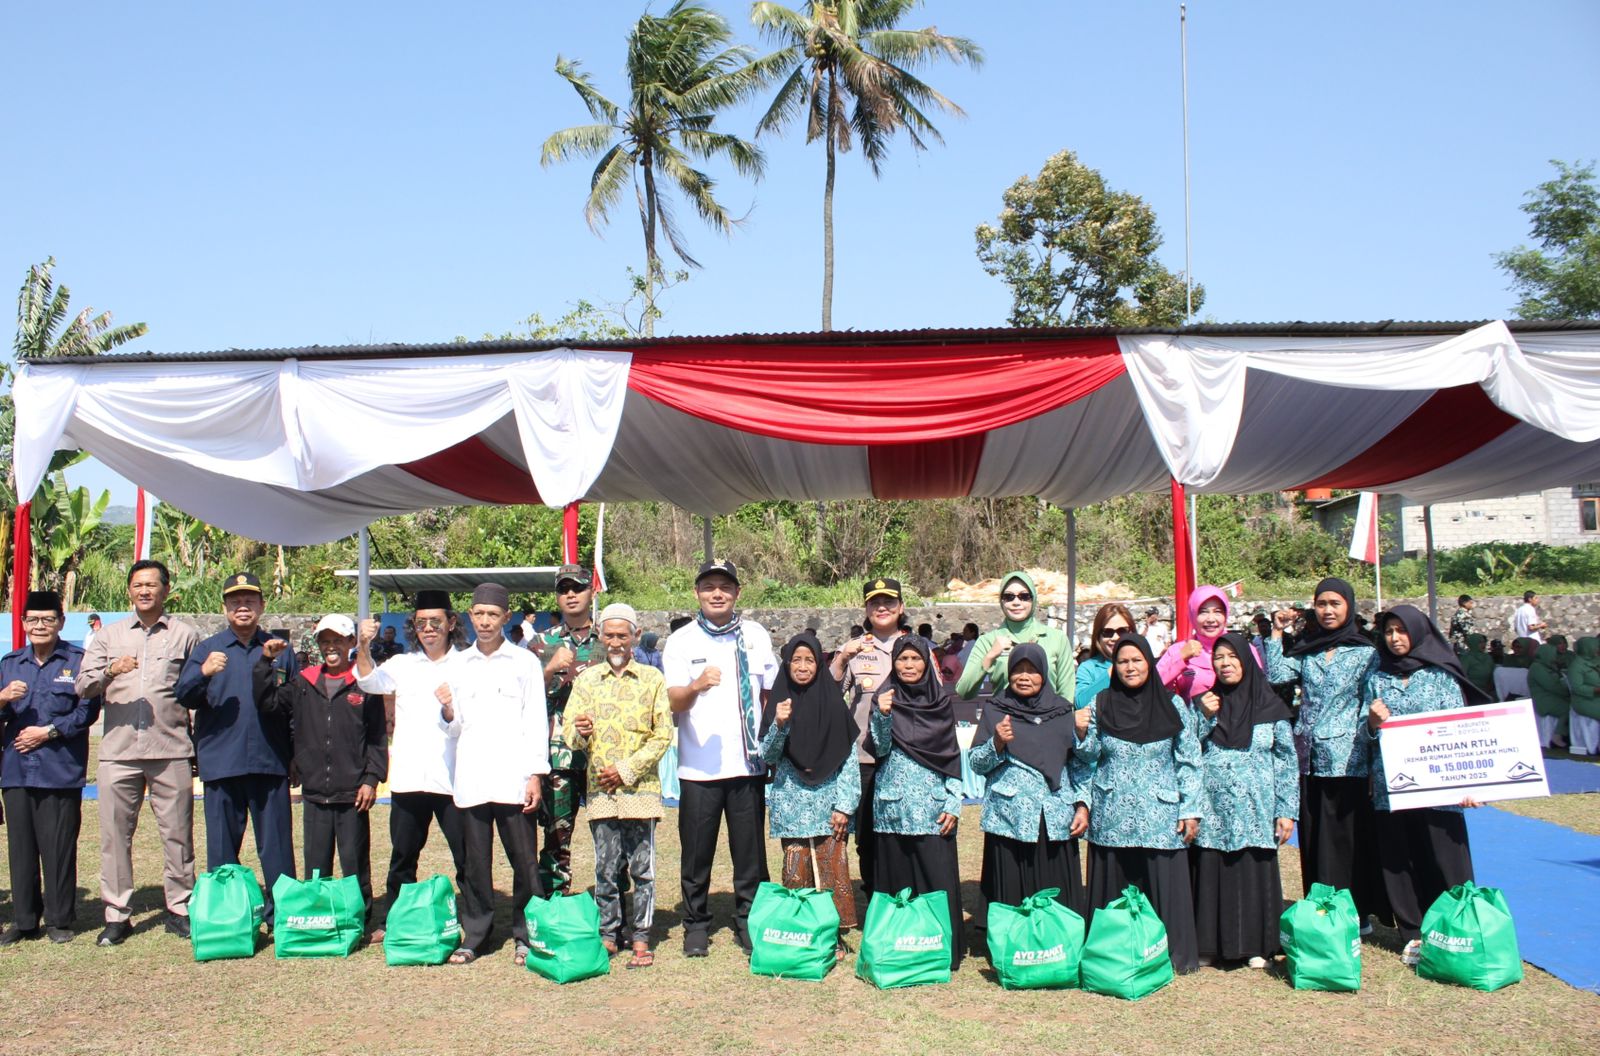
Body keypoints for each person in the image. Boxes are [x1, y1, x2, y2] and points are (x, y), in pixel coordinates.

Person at [75, 560, 203, 946]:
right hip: (118, 752)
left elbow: (196, 692)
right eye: (138, 585)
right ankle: (117, 915)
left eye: (152, 585)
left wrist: (198, 743)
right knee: (115, 836)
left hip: (171, 749)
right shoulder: (108, 637)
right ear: (129, 591)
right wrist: (111, 671)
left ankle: (180, 907)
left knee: (178, 834)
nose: (144, 591)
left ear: (166, 590)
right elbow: (83, 686)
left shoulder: (184, 635)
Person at [663, 560, 778, 957]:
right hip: (699, 768)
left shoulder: (755, 635)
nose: (717, 593)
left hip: (747, 764)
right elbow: (672, 700)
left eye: (725, 587)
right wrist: (696, 685)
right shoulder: (683, 641)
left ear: (737, 593)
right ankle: (696, 923)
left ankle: (749, 919)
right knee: (697, 853)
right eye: (709, 586)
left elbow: (771, 691)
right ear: (697, 592)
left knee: (749, 852)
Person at [1363, 605, 1486, 966]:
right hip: (1393, 788)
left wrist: (1467, 785)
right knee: (1400, 863)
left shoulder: (1441, 676)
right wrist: (1371, 722)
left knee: (1446, 861)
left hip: (1440, 791)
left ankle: (1457, 928)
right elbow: (1367, 736)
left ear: (1418, 632)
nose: (1395, 638)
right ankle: (1413, 934)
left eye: (1401, 630)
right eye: (1388, 632)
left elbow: (1462, 734)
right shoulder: (1377, 677)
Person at [176, 573, 298, 926]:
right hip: (222, 760)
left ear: (261, 606)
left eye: (249, 601)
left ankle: (283, 915)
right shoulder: (207, 649)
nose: (242, 607)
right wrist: (203, 671)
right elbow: (184, 694)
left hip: (269, 759)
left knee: (276, 846)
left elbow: (293, 708)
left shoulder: (278, 650)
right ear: (225, 608)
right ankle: (228, 915)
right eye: (235, 602)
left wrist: (292, 756)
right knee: (222, 848)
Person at [1077, 634, 1202, 974]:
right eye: (1123, 661)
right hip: (1112, 813)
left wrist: (1190, 808)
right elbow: (1085, 758)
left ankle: (1170, 955)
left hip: (1160, 815)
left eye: (1136, 660)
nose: (1130, 667)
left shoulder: (1173, 705)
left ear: (1150, 663)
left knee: (1164, 885)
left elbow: (1189, 760)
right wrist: (1081, 734)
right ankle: (1112, 954)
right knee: (1113, 889)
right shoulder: (1100, 703)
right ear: (1114, 668)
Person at [1265, 577, 1385, 927]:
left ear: (1348, 606)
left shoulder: (1366, 653)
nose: (1328, 610)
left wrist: (1365, 734)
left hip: (1350, 758)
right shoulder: (1309, 648)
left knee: (1347, 839)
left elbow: (1371, 700)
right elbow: (1276, 675)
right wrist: (1276, 634)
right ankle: (1319, 904)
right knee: (1315, 838)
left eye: (1335, 603)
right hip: (1310, 759)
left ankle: (1355, 910)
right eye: (1322, 604)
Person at [440, 582, 548, 965]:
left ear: (506, 618)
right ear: (469, 617)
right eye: (479, 614)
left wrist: (535, 773)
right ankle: (477, 935)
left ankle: (525, 933)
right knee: (474, 863)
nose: (485, 621)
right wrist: (449, 713)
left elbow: (536, 721)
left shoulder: (524, 663)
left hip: (513, 777)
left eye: (492, 615)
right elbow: (453, 729)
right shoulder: (457, 664)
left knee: (524, 861)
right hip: (471, 777)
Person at [256, 614, 386, 919]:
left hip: (353, 792)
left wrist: (371, 778)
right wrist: (264, 664)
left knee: (354, 861)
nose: (331, 647)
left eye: (338, 641)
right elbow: (268, 704)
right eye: (325, 641)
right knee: (316, 863)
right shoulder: (304, 681)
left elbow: (378, 735)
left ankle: (360, 917)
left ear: (351, 643)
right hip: (315, 790)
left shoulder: (365, 682)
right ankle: (320, 915)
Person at [565, 603, 672, 968]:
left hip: (639, 791)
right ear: (599, 635)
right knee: (606, 868)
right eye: (609, 635)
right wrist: (579, 734)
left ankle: (641, 935)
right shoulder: (586, 681)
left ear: (635, 637)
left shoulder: (652, 680)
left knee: (642, 868)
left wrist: (626, 770)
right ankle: (609, 933)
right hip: (601, 794)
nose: (615, 642)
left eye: (622, 635)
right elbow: (569, 733)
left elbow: (662, 736)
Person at [357, 591, 466, 936]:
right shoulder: (403, 664)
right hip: (409, 779)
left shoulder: (467, 664)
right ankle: (395, 920)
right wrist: (363, 645)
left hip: (454, 779)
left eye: (436, 622)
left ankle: (477, 920)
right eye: (421, 623)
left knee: (466, 857)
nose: (429, 629)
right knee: (403, 856)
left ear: (451, 623)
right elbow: (368, 681)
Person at [1191, 633, 1297, 969]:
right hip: (1213, 807)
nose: (1224, 664)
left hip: (1256, 807)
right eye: (1218, 657)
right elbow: (1187, 750)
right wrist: (1204, 717)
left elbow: (1286, 760)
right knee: (1211, 870)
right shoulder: (1207, 703)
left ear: (1247, 661)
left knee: (1253, 871)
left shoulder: (1271, 707)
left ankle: (1257, 946)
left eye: (1232, 657)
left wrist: (1286, 810)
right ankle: (1210, 945)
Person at [0, 591, 100, 945]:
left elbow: (87, 710)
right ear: (24, 623)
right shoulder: (10, 663)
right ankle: (25, 920)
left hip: (59, 767)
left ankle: (59, 919)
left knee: (58, 845)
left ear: (61, 621)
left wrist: (49, 731)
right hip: (16, 768)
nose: (40, 626)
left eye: (48, 619)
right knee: (21, 846)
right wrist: (2, 698)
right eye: (33, 620)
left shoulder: (77, 660)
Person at [968, 643, 1091, 927]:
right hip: (1010, 819)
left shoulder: (1063, 711)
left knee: (1055, 889)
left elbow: (1080, 764)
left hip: (1055, 817)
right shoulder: (996, 710)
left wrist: (1083, 806)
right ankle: (1012, 940)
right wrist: (996, 743)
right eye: (1018, 670)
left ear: (1045, 674)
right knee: (1012, 884)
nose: (1024, 677)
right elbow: (976, 763)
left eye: (1032, 671)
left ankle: (1058, 938)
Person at [760, 632, 862, 954]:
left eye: (810, 660)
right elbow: (769, 755)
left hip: (829, 804)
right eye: (796, 660)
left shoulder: (833, 704)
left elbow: (848, 758)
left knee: (833, 869)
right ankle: (801, 931)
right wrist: (779, 724)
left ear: (819, 664)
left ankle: (833, 934)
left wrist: (845, 806)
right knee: (795, 871)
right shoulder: (780, 702)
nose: (802, 667)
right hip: (791, 803)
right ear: (787, 663)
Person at [868, 638, 965, 970]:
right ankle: (899, 948)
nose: (908, 665)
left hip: (932, 810)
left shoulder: (940, 704)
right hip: (892, 808)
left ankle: (940, 949)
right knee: (897, 883)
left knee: (935, 880)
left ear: (926, 663)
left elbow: (952, 757)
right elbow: (879, 750)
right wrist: (881, 716)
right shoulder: (885, 700)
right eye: (902, 659)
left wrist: (953, 803)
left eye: (914, 659)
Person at [829, 578, 910, 899]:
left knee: (902, 831)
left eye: (889, 602)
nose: (882, 608)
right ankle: (876, 894)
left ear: (901, 608)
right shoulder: (855, 648)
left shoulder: (916, 648)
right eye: (875, 602)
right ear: (866, 608)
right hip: (865, 757)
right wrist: (840, 660)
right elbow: (828, 697)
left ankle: (902, 894)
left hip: (906, 757)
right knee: (867, 834)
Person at [533, 563, 600, 896]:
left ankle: (612, 910)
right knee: (556, 837)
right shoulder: (541, 643)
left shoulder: (610, 638)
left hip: (604, 756)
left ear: (592, 591)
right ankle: (553, 904)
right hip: (559, 755)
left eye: (577, 588)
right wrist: (549, 670)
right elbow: (523, 698)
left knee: (612, 835)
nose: (570, 594)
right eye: (563, 589)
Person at [956, 571, 1074, 701]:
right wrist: (990, 656)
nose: (1016, 602)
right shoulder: (987, 641)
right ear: (1001, 601)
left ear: (1033, 598)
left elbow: (1067, 692)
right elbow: (964, 692)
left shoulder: (1056, 638)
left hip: (1048, 719)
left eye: (1024, 596)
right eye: (1009, 597)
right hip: (1005, 719)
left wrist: (1065, 720)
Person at [1157, 586, 1262, 701]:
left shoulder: (1244, 649)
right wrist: (1180, 658)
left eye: (1218, 612)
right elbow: (1152, 685)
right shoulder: (1179, 650)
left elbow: (1259, 690)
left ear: (1226, 614)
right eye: (1203, 612)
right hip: (1193, 717)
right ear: (1192, 615)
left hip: (1241, 717)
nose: (1211, 619)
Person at [1075, 604, 1134, 707]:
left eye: (1122, 631)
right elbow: (1080, 703)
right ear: (1098, 636)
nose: (1115, 637)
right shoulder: (1089, 668)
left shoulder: (1143, 663)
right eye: (1108, 632)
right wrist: (1111, 672)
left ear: (1131, 631)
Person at [1528, 643, 1572, 749]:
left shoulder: (1545, 666)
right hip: (1543, 699)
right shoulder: (1537, 668)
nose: (1555, 658)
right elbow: (1552, 686)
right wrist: (1567, 693)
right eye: (1553, 655)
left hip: (1551, 696)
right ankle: (1557, 736)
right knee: (1568, 708)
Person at [1566, 638, 1600, 756]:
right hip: (1585, 700)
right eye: (1596, 647)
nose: (1598, 649)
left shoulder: (1596, 661)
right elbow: (1577, 688)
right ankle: (1594, 747)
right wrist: (1595, 690)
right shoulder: (1576, 666)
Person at [1458, 633, 1497, 702]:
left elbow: (1493, 675)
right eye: (1480, 642)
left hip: (1487, 691)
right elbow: (1463, 676)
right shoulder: (1466, 658)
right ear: (1473, 643)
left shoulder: (1488, 657)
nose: (1483, 644)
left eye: (1484, 642)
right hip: (1472, 692)